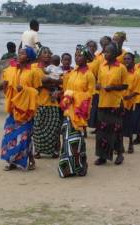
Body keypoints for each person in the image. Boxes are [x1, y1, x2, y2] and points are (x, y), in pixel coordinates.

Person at [0, 47, 41, 171]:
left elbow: (37, 91)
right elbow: (5, 85)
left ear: (28, 57)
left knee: (25, 136)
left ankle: (31, 159)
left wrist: (24, 90)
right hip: (13, 107)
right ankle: (11, 161)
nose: (19, 55)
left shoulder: (33, 72)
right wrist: (6, 87)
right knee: (10, 135)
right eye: (19, 53)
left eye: (22, 53)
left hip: (26, 110)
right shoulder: (11, 70)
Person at [58, 45, 95, 178]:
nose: (77, 57)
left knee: (76, 140)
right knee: (67, 139)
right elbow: (67, 90)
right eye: (76, 55)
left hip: (79, 112)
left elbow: (90, 96)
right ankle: (67, 168)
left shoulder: (89, 75)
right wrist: (64, 96)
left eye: (80, 55)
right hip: (69, 110)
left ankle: (81, 165)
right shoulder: (73, 72)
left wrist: (73, 95)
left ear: (86, 58)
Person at [95, 43, 128, 166]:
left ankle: (119, 154)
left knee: (116, 130)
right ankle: (102, 156)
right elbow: (98, 83)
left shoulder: (121, 68)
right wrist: (98, 86)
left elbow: (125, 85)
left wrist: (113, 87)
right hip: (103, 102)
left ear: (114, 54)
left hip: (115, 103)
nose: (105, 54)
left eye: (108, 52)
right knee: (102, 131)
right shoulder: (102, 66)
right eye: (105, 52)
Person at [33, 47, 62, 159]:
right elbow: (39, 82)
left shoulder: (55, 68)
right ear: (39, 55)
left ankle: (55, 150)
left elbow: (61, 82)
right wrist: (51, 82)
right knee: (38, 127)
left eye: (49, 53)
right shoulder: (34, 68)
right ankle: (38, 150)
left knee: (54, 128)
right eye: (44, 53)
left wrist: (54, 85)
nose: (47, 55)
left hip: (53, 102)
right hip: (39, 101)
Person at [88, 36, 112, 134]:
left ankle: (101, 127)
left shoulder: (102, 57)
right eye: (102, 44)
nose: (92, 48)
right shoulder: (95, 56)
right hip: (90, 85)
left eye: (94, 46)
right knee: (93, 108)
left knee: (99, 108)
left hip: (99, 85)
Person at [122, 52, 140, 153]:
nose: (126, 61)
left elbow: (137, 90)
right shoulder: (122, 72)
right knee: (119, 125)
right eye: (125, 59)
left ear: (133, 61)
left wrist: (129, 96)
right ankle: (120, 145)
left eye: (128, 59)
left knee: (128, 125)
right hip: (119, 102)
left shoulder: (136, 74)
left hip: (130, 103)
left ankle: (130, 144)